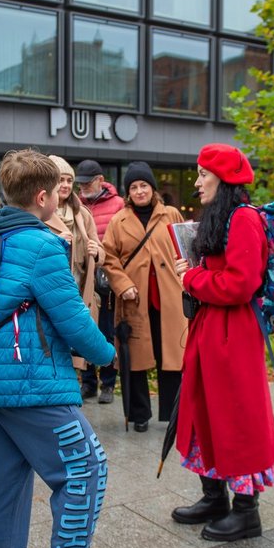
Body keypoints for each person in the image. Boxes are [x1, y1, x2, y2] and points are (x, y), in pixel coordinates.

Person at [0, 149, 115, 548]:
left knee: (4, 485)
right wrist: (108, 355)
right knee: (87, 469)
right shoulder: (42, 245)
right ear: (43, 196)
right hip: (30, 385)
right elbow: (72, 318)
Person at [170, 144, 274, 542]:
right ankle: (214, 496)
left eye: (203, 174)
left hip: (233, 335)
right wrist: (196, 272)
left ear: (223, 178)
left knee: (237, 418)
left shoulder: (244, 219)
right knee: (205, 412)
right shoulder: (225, 216)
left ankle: (247, 511)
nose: (197, 182)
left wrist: (191, 279)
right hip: (215, 330)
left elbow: (240, 283)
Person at [102, 162, 186, 432]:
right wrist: (122, 284)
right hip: (135, 299)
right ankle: (139, 415)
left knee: (172, 356)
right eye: (134, 187)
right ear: (128, 192)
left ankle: (174, 414)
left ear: (153, 188)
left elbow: (187, 247)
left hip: (169, 298)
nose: (139, 191)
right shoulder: (118, 220)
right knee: (135, 359)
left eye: (144, 186)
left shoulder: (171, 214)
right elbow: (109, 258)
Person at [44, 154, 104, 367]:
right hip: (51, 291)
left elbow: (101, 253)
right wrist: (56, 240)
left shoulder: (82, 214)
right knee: (51, 350)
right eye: (61, 180)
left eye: (69, 180)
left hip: (78, 291)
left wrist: (96, 251)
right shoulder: (39, 213)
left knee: (75, 355)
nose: (66, 185)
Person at [76, 159, 124, 404]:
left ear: (99, 180)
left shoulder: (118, 205)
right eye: (80, 183)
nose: (82, 187)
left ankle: (107, 383)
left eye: (87, 182)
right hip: (84, 277)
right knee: (85, 328)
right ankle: (88, 382)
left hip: (107, 276)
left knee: (107, 330)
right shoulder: (76, 204)